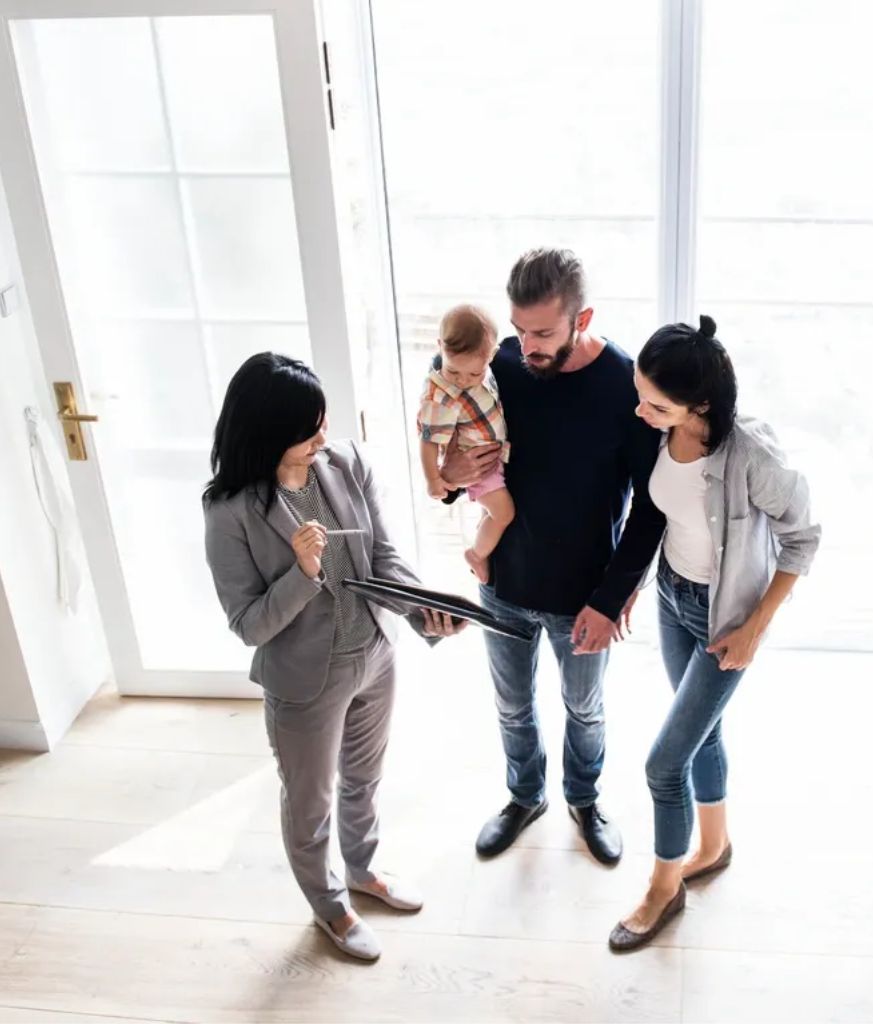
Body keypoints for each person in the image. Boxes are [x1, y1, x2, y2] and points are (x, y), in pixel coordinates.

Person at [203, 352, 463, 962]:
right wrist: (304, 571)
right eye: (308, 428)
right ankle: (328, 904)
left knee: (365, 780)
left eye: (323, 421)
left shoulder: (344, 463)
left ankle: (363, 871)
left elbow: (383, 559)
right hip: (304, 682)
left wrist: (424, 610)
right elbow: (248, 624)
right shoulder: (230, 511)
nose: (324, 435)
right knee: (309, 800)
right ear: (268, 431)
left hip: (374, 653)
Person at [440, 248, 665, 865]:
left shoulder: (625, 384)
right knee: (511, 705)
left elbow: (651, 506)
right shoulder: (499, 366)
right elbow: (457, 450)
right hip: (504, 584)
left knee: (584, 708)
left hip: (583, 595)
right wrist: (452, 475)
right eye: (518, 329)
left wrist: (611, 596)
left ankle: (584, 799)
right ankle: (524, 795)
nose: (525, 345)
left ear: (582, 318)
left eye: (542, 332)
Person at [608, 316, 821, 952]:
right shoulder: (660, 433)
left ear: (700, 403)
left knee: (663, 764)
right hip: (674, 598)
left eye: (657, 402)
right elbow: (661, 518)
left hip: (724, 618)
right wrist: (631, 587)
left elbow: (803, 538)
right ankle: (714, 845)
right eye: (639, 393)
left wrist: (756, 627)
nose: (641, 411)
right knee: (703, 735)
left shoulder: (752, 457)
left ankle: (662, 889)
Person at [417, 304, 515, 583]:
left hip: (492, 459)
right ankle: (476, 555)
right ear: (439, 347)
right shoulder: (441, 395)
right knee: (503, 513)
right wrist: (434, 479)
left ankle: (480, 547)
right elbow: (428, 441)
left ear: (491, 356)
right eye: (453, 371)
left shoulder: (487, 366)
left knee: (492, 512)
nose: (462, 381)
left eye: (474, 374)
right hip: (477, 466)